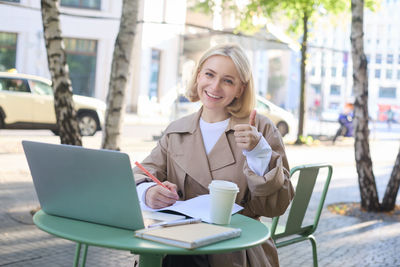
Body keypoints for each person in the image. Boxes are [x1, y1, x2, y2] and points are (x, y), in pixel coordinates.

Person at [133, 43, 294, 267]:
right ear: (198, 76)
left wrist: (258, 152)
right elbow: (140, 173)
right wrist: (149, 191)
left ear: (240, 89)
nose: (215, 86)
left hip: (234, 249)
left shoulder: (260, 129)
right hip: (175, 242)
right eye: (209, 74)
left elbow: (276, 206)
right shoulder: (176, 130)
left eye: (228, 80)